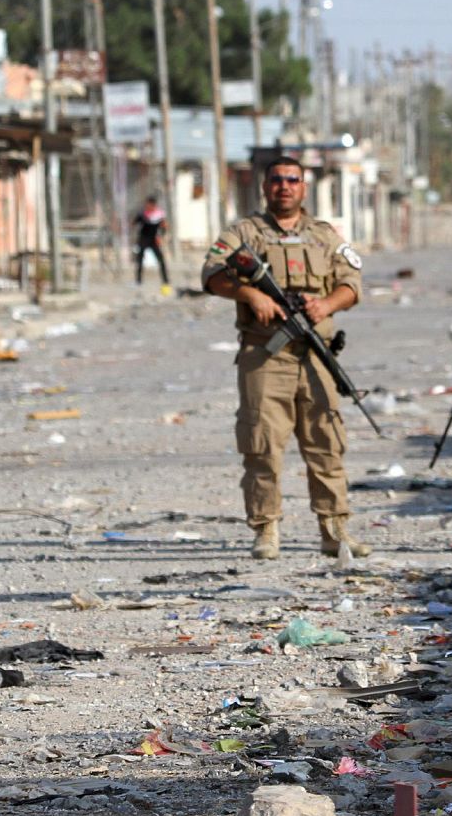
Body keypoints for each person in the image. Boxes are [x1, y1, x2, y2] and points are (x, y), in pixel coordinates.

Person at [202, 156, 370, 560]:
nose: (284, 187)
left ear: (304, 187)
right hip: (265, 354)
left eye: (292, 180)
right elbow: (211, 274)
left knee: (326, 443)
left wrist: (325, 305)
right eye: (276, 180)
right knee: (261, 444)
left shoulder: (325, 235)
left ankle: (334, 529)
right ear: (265, 186)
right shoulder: (244, 232)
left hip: (315, 354)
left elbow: (352, 283)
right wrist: (251, 295)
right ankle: (266, 530)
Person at [133, 195, 170, 286]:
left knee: (161, 260)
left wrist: (161, 236)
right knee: (140, 260)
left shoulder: (159, 214)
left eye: (149, 205)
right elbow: (134, 223)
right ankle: (138, 281)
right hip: (143, 239)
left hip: (154, 240)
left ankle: (165, 281)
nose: (148, 206)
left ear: (153, 205)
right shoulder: (142, 214)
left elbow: (164, 227)